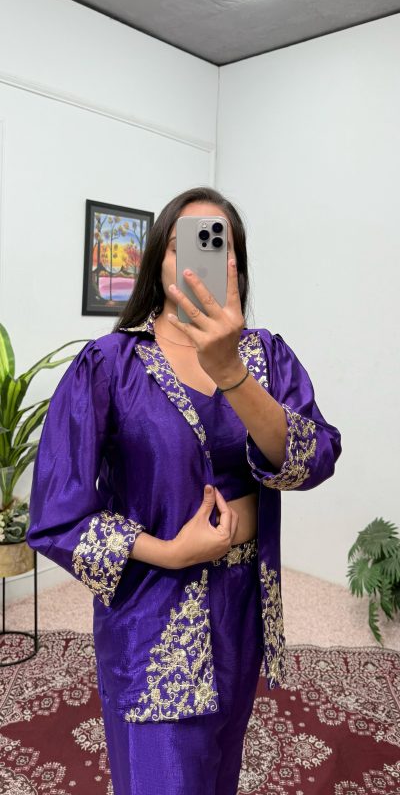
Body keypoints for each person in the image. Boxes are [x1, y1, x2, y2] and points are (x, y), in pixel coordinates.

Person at [27, 186, 342, 795]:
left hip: (241, 608)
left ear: (237, 265)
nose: (202, 257)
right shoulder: (110, 364)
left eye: (218, 244)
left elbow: (315, 459)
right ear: (158, 262)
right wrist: (171, 552)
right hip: (150, 609)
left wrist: (231, 374)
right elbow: (57, 513)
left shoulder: (266, 357)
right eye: (184, 243)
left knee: (219, 770)